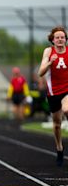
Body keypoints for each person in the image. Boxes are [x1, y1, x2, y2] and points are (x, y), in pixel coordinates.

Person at [38, 26, 68, 167]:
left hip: (67, 90)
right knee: (57, 124)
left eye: (62, 37)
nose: (60, 39)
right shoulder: (48, 52)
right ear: (53, 40)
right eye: (57, 37)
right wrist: (50, 62)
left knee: (67, 109)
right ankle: (59, 148)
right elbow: (40, 72)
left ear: (65, 39)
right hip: (54, 92)